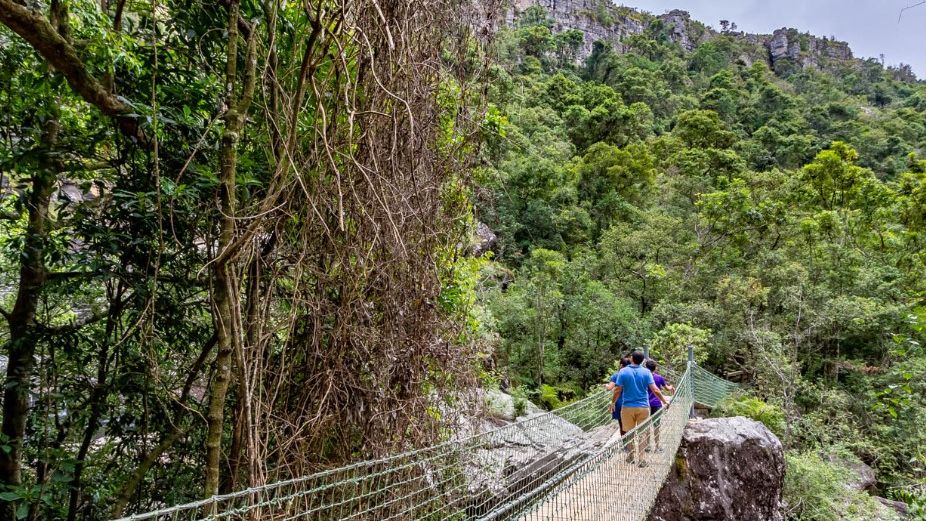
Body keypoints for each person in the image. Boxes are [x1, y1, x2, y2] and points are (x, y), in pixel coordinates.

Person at [610, 351, 669, 466]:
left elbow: (617, 390)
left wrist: (613, 403)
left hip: (627, 407)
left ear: (631, 358)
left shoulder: (623, 371)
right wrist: (664, 401)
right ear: (642, 361)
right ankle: (642, 460)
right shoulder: (646, 372)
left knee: (629, 432)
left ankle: (631, 456)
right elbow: (655, 390)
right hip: (643, 407)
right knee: (642, 433)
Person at [645, 359, 675, 451]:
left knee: (646, 426)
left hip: (645, 404)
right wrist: (672, 388)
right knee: (656, 425)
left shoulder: (643, 377)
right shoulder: (659, 377)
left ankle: (647, 446)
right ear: (655, 368)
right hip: (656, 403)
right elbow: (667, 388)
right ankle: (657, 447)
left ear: (646, 367)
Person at [606, 356, 631, 434]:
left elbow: (610, 388)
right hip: (631, 401)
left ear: (621, 365)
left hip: (620, 402)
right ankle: (631, 442)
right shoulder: (633, 374)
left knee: (622, 426)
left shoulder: (616, 375)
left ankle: (626, 444)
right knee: (631, 425)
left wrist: (606, 385)